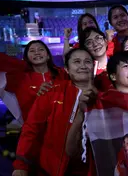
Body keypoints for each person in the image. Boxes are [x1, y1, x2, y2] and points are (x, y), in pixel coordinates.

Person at [13, 48, 97, 176]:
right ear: (67, 69)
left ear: (93, 66)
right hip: (53, 169)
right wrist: (21, 165)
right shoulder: (51, 93)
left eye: (87, 61)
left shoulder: (104, 97)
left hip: (91, 169)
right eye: (77, 61)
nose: (83, 66)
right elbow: (31, 129)